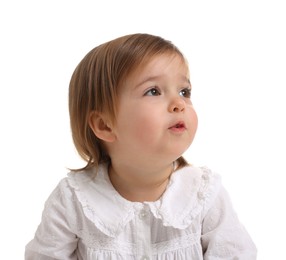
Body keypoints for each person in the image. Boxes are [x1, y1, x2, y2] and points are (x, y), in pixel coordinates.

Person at [25, 33, 257, 259]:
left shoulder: (202, 194)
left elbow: (236, 254)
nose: (179, 103)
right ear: (105, 125)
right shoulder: (74, 200)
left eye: (184, 91)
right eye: (153, 91)